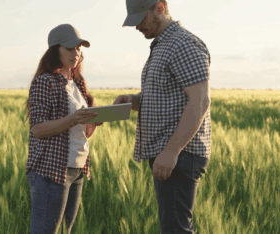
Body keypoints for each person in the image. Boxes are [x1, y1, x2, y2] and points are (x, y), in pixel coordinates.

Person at [114, 0, 211, 233]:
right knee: (172, 226)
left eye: (141, 19)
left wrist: (171, 151)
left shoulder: (184, 44)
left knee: (175, 229)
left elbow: (200, 101)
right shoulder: (163, 44)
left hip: (179, 153)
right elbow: (165, 96)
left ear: (160, 8)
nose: (137, 27)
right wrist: (133, 100)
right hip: (170, 153)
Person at [25, 24, 102, 234]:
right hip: (52, 171)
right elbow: (38, 129)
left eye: (78, 48)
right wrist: (74, 118)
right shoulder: (45, 82)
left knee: (65, 231)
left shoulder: (78, 84)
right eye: (70, 48)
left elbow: (82, 133)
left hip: (77, 169)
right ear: (55, 50)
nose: (75, 53)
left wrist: (93, 122)